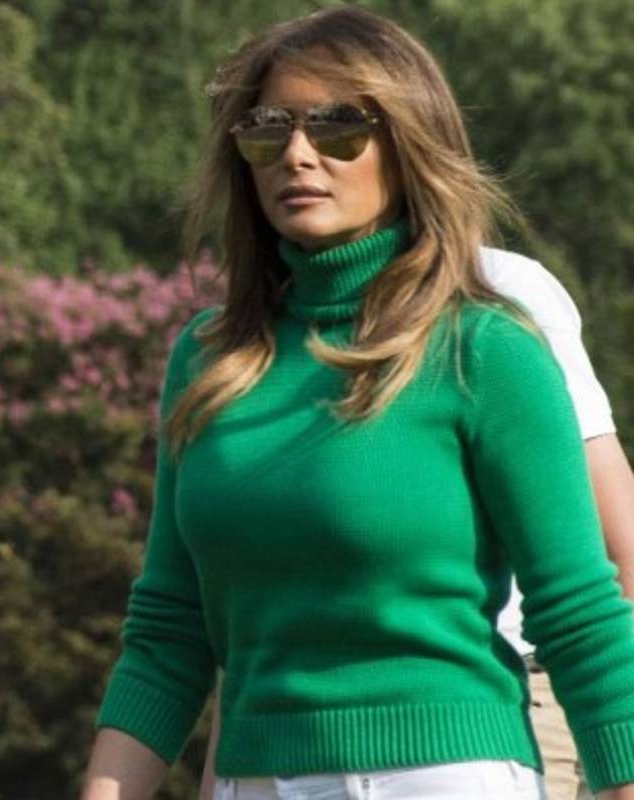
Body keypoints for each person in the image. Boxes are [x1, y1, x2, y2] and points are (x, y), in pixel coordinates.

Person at [82, 7, 634, 800]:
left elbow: (581, 615)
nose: (298, 155)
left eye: (339, 127)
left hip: (446, 775)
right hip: (256, 778)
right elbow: (171, 628)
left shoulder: (487, 350)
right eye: (268, 130)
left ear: (407, 148)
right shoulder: (209, 360)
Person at [193, 249, 634, 800]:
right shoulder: (264, 322)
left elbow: (615, 548)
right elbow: (245, 612)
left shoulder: (498, 293)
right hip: (290, 739)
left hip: (506, 710)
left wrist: (615, 752)